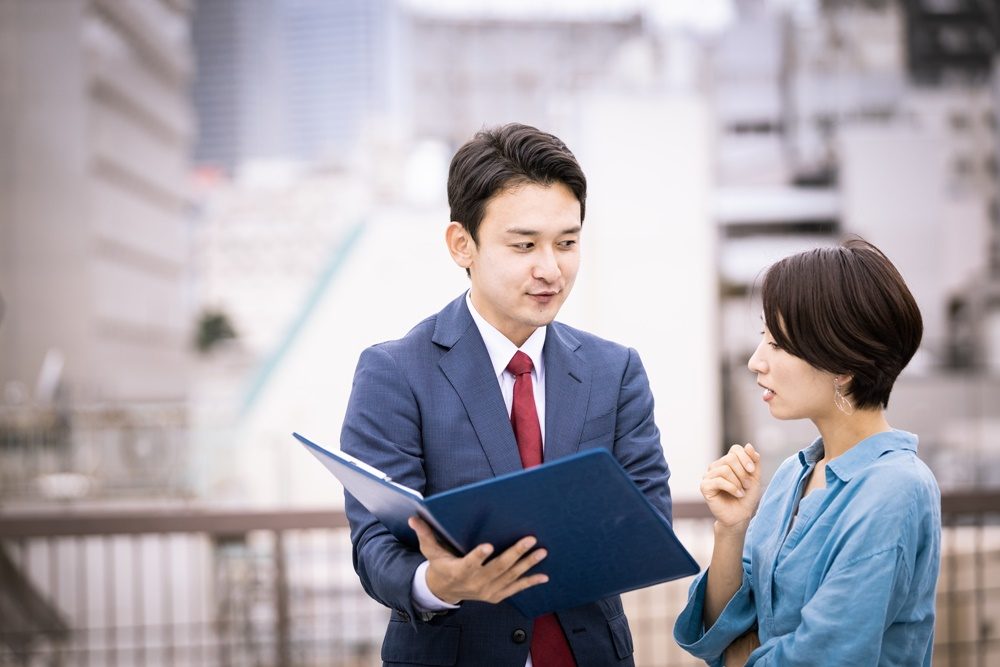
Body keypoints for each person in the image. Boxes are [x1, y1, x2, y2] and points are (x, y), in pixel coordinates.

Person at [341, 123, 672, 666]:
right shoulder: (395, 372)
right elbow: (375, 543)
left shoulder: (615, 370)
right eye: (524, 245)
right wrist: (438, 582)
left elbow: (648, 517)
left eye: (567, 243)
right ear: (461, 244)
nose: (551, 269)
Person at [673, 238, 941, 666]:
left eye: (777, 344)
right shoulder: (793, 474)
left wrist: (743, 655)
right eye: (764, 338)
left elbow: (828, 654)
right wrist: (731, 528)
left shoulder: (896, 488)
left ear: (843, 362)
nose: (756, 361)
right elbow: (717, 633)